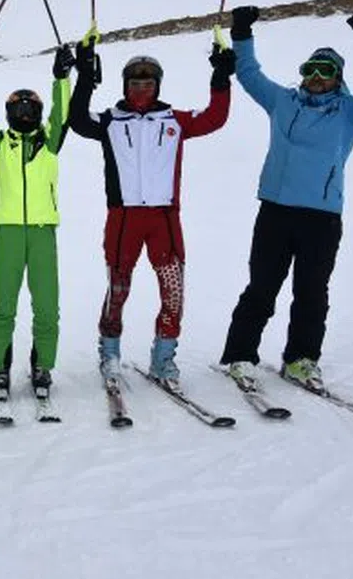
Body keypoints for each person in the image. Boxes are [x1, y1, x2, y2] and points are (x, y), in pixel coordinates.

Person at [220, 7, 353, 391]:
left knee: (312, 292)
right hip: (276, 211)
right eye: (310, 70)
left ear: (337, 78)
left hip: (321, 217)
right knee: (262, 286)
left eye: (325, 71)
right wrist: (242, 31)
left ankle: (301, 360)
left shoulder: (350, 113)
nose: (316, 78)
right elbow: (249, 75)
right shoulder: (283, 102)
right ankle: (239, 355)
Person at [67, 34, 234, 389]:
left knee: (173, 291)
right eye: (135, 82)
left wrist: (221, 79)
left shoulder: (173, 120)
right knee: (118, 288)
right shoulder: (110, 120)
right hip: (124, 218)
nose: (141, 88)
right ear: (125, 86)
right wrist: (84, 75)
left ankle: (164, 358)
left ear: (158, 86)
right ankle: (110, 354)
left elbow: (215, 118)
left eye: (148, 83)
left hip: (164, 219)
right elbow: (78, 119)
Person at [0, 43, 74, 400]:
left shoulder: (49, 140)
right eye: (18, 108)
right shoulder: (0, 143)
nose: (24, 113)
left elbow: (62, 113)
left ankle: (43, 366)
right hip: (8, 232)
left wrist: (61, 78)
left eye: (30, 108)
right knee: (4, 304)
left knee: (46, 304)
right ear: (9, 112)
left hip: (42, 232)